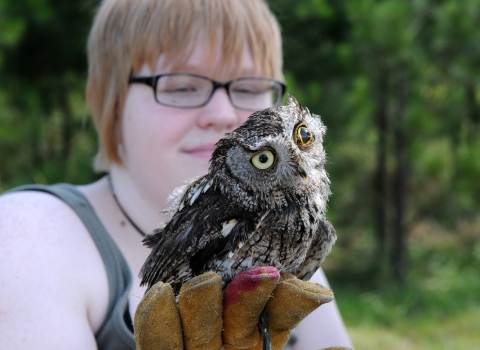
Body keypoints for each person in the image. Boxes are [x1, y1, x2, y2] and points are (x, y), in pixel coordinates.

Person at [0, 0, 353, 349]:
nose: (223, 113)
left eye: (247, 88)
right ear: (112, 103)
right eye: (182, 86)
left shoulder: (301, 236)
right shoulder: (29, 234)